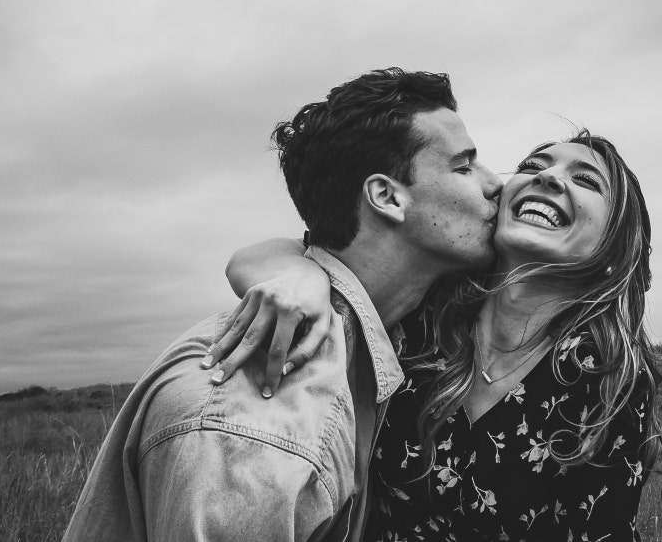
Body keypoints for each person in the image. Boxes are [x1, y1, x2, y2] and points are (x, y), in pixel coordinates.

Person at [61, 67, 502, 542]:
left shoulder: (385, 324)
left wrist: (296, 266)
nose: (495, 182)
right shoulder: (257, 432)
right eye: (464, 166)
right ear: (386, 197)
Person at [219, 132, 662, 541]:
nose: (548, 177)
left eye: (587, 180)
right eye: (533, 166)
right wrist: (303, 276)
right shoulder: (426, 314)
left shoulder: (607, 374)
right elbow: (257, 258)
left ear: (615, 242)